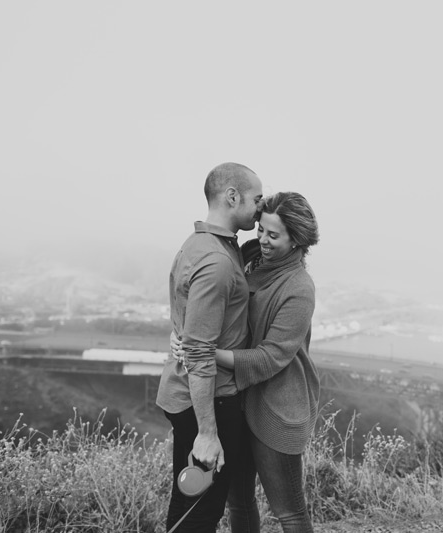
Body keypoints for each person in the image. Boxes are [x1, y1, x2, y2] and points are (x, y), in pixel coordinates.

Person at [173, 191, 321, 533]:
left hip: (277, 403)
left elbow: (272, 358)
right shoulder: (249, 256)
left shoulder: (299, 288)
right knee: (239, 502)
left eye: (274, 235)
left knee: (290, 512)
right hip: (238, 399)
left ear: (297, 240)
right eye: (261, 231)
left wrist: (205, 352)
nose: (263, 241)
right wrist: (183, 335)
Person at [156, 162, 264, 532]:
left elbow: (187, 321)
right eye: (257, 199)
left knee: (195, 504)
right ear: (232, 197)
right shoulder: (217, 261)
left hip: (190, 392)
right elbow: (201, 352)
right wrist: (207, 432)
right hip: (208, 399)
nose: (261, 207)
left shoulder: (201, 244)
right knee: (198, 513)